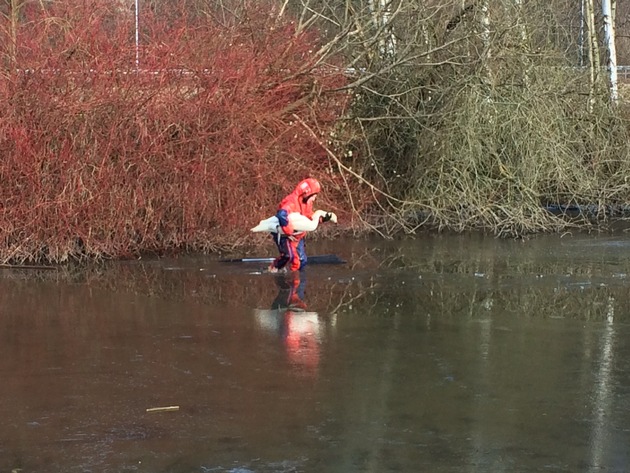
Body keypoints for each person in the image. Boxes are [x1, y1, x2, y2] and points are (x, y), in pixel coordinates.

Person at [268, 178, 332, 273]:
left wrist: (321, 219)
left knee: (302, 261)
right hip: (284, 234)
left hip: (297, 235)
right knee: (288, 257)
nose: (314, 199)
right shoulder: (291, 202)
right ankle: (274, 269)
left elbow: (308, 217)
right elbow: (282, 215)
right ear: (307, 193)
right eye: (313, 196)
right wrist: (289, 232)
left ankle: (293, 277)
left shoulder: (307, 203)